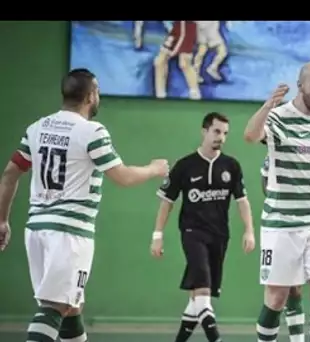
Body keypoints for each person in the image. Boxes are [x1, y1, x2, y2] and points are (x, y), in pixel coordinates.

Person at [0, 68, 169, 342]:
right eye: (98, 91)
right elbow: (123, 177)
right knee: (56, 307)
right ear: (91, 96)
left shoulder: (37, 128)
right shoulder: (91, 132)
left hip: (36, 230)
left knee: (71, 306)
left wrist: (3, 220)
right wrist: (153, 168)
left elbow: (10, 174)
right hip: (69, 233)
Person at [244, 61, 310, 342]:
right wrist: (268, 105)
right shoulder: (279, 117)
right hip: (282, 225)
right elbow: (250, 135)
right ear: (301, 86)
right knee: (276, 298)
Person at [151, 112, 255, 342]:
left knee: (196, 300)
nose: (222, 137)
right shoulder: (185, 166)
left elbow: (242, 201)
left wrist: (249, 230)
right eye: (217, 131)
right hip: (192, 233)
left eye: (225, 133)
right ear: (204, 131)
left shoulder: (231, 166)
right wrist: (157, 235)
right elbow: (167, 201)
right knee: (204, 293)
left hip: (220, 236)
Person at [153, 21, 201, 100]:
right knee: (159, 62)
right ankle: (160, 95)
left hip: (187, 26)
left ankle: (195, 94)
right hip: (177, 27)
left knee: (184, 63)